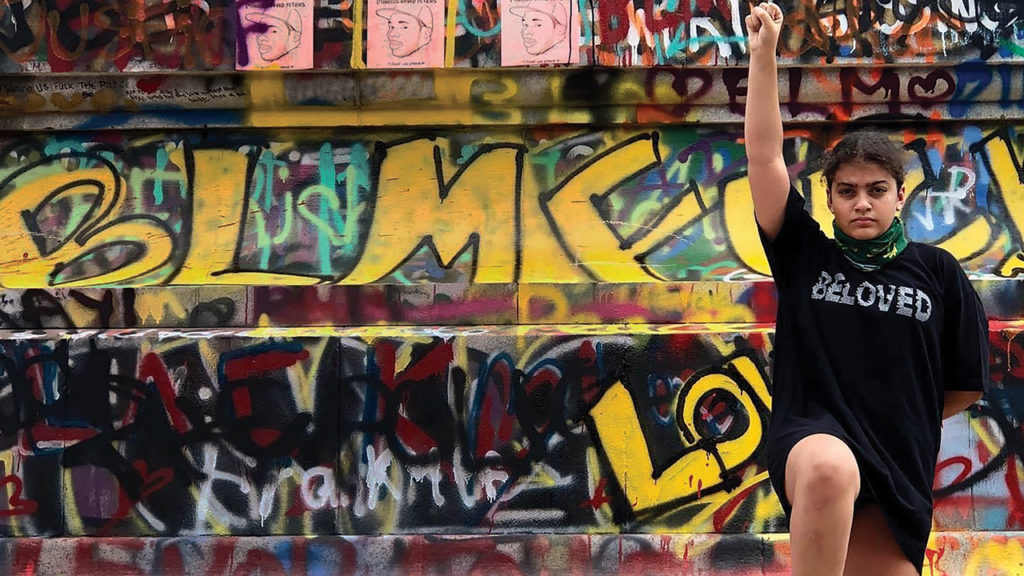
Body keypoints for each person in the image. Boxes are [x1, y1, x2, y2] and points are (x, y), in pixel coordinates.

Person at [743, 3, 989, 575]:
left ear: (900, 196)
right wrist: (763, 56)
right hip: (815, 444)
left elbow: (962, 386)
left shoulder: (938, 272)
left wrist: (897, 408)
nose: (862, 202)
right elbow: (764, 156)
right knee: (830, 469)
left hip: (897, 466)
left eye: (876, 190)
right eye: (847, 191)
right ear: (829, 198)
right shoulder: (805, 254)